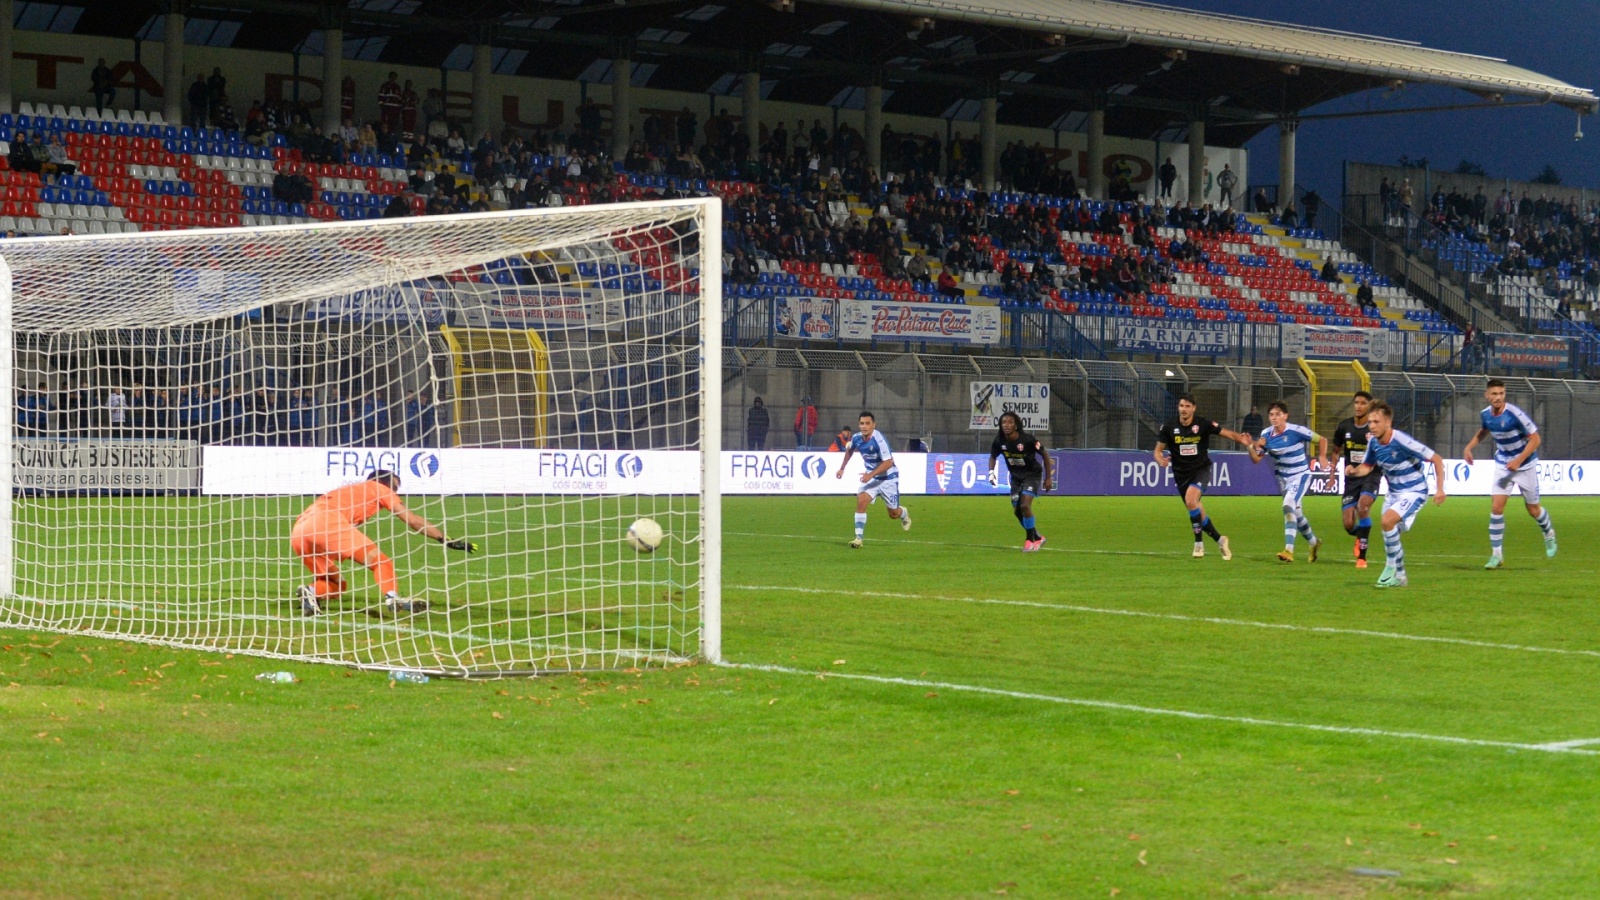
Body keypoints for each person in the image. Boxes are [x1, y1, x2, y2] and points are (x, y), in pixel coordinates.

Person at [290, 469, 478, 616]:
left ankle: (311, 592)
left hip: (299, 530)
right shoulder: (378, 488)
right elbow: (412, 520)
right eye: (394, 487)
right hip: (326, 522)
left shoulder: (346, 490)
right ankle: (393, 598)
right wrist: (444, 538)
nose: (395, 492)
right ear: (383, 482)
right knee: (380, 562)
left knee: (337, 584)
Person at [1345, 401, 1446, 588]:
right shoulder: (1374, 443)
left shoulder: (1402, 441)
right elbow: (1367, 467)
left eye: (1376, 422)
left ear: (1388, 422)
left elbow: (1437, 459)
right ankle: (1401, 577)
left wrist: (1440, 489)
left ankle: (1390, 568)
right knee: (1389, 532)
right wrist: (1353, 471)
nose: (1372, 426)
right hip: (1393, 494)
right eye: (1370, 422)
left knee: (1386, 522)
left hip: (1414, 491)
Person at [1461, 379, 1557, 568]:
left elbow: (1535, 439)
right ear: (1487, 396)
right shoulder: (1485, 415)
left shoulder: (1515, 414)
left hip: (1525, 465)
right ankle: (1497, 555)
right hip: (1503, 465)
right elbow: (1483, 431)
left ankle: (1549, 533)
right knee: (1497, 507)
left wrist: (1519, 460)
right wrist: (1468, 448)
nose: (1498, 397)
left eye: (1501, 393)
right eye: (1494, 394)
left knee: (1533, 510)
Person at [1153, 393, 1254, 559]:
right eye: (1181, 406)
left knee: (1191, 500)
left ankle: (1198, 544)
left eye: (1187, 406)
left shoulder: (1203, 423)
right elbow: (1157, 451)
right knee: (1197, 511)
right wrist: (1160, 460)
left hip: (1201, 469)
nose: (1183, 409)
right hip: (1180, 475)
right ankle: (1220, 540)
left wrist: (1242, 440)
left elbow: (1227, 433)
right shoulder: (1169, 426)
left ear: (1194, 408)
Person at [1247, 401, 1327, 563]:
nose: (1274, 418)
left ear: (1285, 416)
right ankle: (1314, 543)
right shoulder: (1266, 434)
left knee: (1288, 505)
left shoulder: (1296, 431)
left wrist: (1322, 457)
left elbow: (1322, 440)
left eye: (1278, 414)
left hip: (1300, 475)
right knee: (1296, 513)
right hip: (1282, 479)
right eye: (1271, 415)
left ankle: (1289, 550)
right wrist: (1251, 446)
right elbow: (1256, 459)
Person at [835, 411, 910, 548]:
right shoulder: (857, 438)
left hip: (888, 478)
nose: (864, 426)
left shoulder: (879, 440)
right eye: (862, 423)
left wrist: (870, 475)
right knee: (861, 500)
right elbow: (850, 450)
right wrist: (842, 468)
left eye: (867, 423)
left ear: (873, 425)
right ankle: (858, 538)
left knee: (893, 514)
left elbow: (888, 462)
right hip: (871, 478)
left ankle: (903, 513)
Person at [987, 411, 1054, 551]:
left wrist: (1048, 478)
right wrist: (991, 473)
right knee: (1017, 511)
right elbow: (993, 456)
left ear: (1016, 425)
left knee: (1025, 506)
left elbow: (1045, 454)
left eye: (1010, 422)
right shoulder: (999, 440)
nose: (1006, 425)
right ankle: (1038, 537)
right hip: (1016, 478)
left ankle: (1029, 540)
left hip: (1032, 475)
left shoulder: (1027, 439)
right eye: (1004, 422)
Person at [1331, 390, 1381, 568]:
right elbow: (1336, 451)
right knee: (1348, 524)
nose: (1358, 406)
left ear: (1369, 405)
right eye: (1356, 403)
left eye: (1363, 403)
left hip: (1371, 474)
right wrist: (1332, 475)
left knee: (1363, 507)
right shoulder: (1344, 426)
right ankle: (1361, 534)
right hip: (1352, 477)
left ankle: (1362, 558)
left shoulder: (1374, 428)